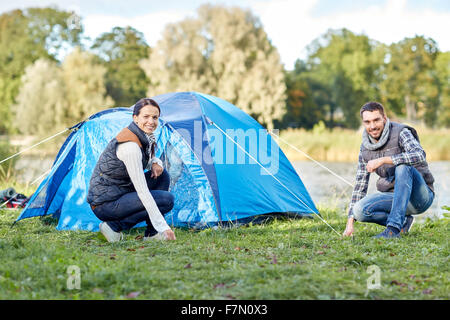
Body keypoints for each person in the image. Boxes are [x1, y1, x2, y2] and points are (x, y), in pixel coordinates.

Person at [87, 98, 176, 242]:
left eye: (155, 117)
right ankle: (114, 226)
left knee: (162, 176)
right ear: (135, 118)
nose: (151, 122)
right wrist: (163, 227)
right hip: (104, 203)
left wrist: (155, 162)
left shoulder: (142, 136)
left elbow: (147, 159)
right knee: (167, 200)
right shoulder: (130, 146)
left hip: (120, 191)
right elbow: (142, 191)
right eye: (146, 117)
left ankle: (152, 234)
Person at [343, 102, 435, 239]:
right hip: (395, 197)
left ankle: (392, 230)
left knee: (403, 167)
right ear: (363, 123)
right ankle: (403, 222)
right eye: (367, 122)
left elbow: (419, 154)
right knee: (359, 210)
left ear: (384, 118)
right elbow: (359, 186)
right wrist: (350, 223)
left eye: (376, 120)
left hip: (420, 197)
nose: (372, 126)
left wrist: (383, 160)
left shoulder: (401, 132)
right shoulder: (365, 149)